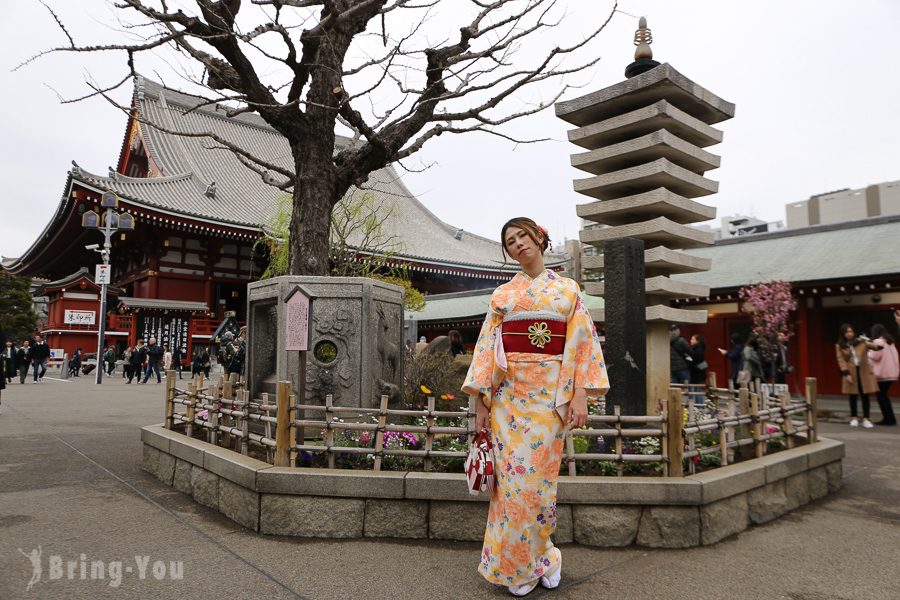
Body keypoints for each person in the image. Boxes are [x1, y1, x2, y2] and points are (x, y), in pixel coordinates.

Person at [463, 217, 609, 597]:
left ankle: (545, 557)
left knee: (540, 486)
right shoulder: (503, 296)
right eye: (510, 242)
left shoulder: (567, 291)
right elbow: (485, 351)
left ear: (540, 238)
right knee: (512, 488)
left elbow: (582, 346)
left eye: (523, 237)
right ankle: (518, 566)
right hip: (508, 400)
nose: (517, 245)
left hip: (548, 399)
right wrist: (480, 402)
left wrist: (578, 394)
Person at [835, 324, 880, 428]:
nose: (849, 334)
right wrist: (846, 373)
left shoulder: (861, 342)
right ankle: (854, 417)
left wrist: (876, 343)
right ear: (843, 334)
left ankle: (866, 418)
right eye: (847, 332)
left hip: (863, 371)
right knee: (853, 396)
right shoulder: (840, 345)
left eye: (851, 331)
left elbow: (875, 347)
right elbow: (840, 360)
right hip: (851, 372)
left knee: (865, 395)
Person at [867, 323, 898, 426]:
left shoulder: (878, 342)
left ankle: (888, 419)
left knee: (881, 396)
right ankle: (889, 418)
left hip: (882, 374)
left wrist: (867, 351)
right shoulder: (890, 342)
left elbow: (875, 356)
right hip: (892, 373)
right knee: (883, 395)